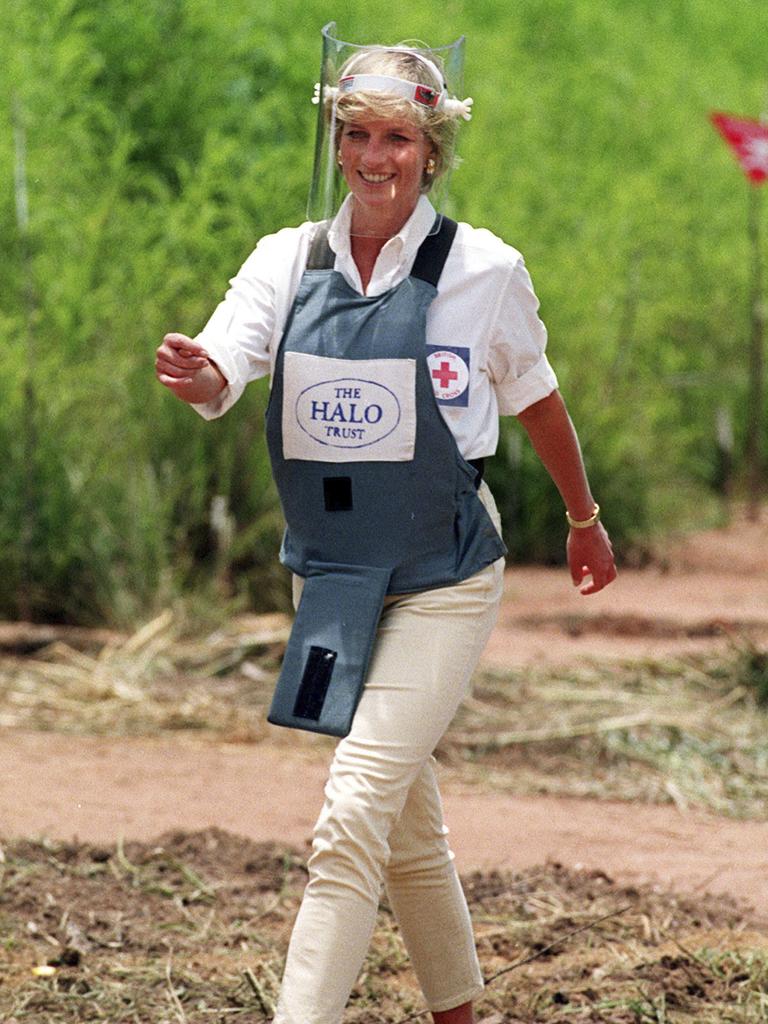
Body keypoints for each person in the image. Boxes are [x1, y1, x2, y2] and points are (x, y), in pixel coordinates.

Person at [155, 27, 616, 1024]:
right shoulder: (286, 261)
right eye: (357, 134)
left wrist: (584, 518)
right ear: (336, 141)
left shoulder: (484, 270)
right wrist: (205, 373)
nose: (374, 158)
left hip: (446, 576)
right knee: (404, 827)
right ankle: (464, 1013)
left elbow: (539, 400)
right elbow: (230, 357)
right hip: (331, 584)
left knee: (353, 812)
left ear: (432, 148)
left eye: (397, 139)